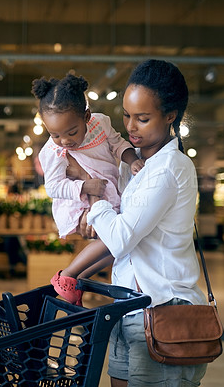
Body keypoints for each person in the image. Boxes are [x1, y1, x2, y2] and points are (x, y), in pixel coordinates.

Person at [69, 59, 208, 386]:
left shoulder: (168, 169)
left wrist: (94, 198)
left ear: (170, 116)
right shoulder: (137, 166)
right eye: (127, 116)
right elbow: (120, 241)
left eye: (143, 118)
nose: (131, 127)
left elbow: (120, 238)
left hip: (164, 309)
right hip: (128, 306)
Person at [32, 74, 144, 305]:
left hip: (107, 193)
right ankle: (68, 276)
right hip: (77, 201)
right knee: (116, 239)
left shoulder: (100, 124)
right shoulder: (53, 152)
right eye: (54, 135)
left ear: (86, 116)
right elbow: (53, 187)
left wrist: (131, 159)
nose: (64, 141)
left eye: (72, 132)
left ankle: (78, 279)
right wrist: (84, 185)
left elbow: (117, 143)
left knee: (120, 246)